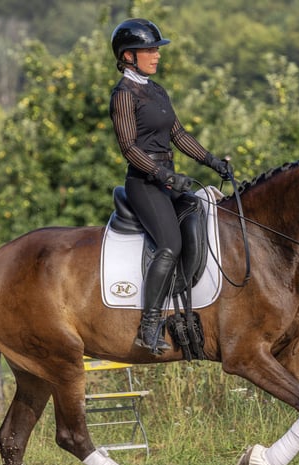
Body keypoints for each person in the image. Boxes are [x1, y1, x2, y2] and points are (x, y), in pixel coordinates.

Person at [109, 18, 230, 355]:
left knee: (199, 213)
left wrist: (212, 161)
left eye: (156, 50)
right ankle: (148, 326)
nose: (157, 56)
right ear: (129, 56)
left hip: (168, 178)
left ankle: (186, 301)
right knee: (169, 244)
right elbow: (129, 148)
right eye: (150, 50)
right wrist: (163, 176)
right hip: (145, 182)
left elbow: (178, 135)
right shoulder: (123, 94)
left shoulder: (156, 90)